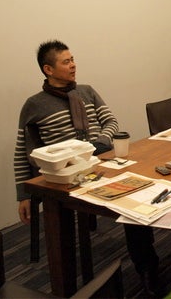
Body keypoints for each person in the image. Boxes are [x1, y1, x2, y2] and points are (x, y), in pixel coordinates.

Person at [13, 40, 160, 296]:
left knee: (136, 201)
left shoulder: (87, 91)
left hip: (102, 162)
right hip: (67, 175)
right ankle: (65, 283)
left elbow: (111, 121)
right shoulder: (34, 105)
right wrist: (23, 194)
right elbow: (21, 150)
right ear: (48, 69)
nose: (73, 65)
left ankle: (148, 268)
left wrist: (98, 143)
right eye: (66, 62)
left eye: (73, 60)